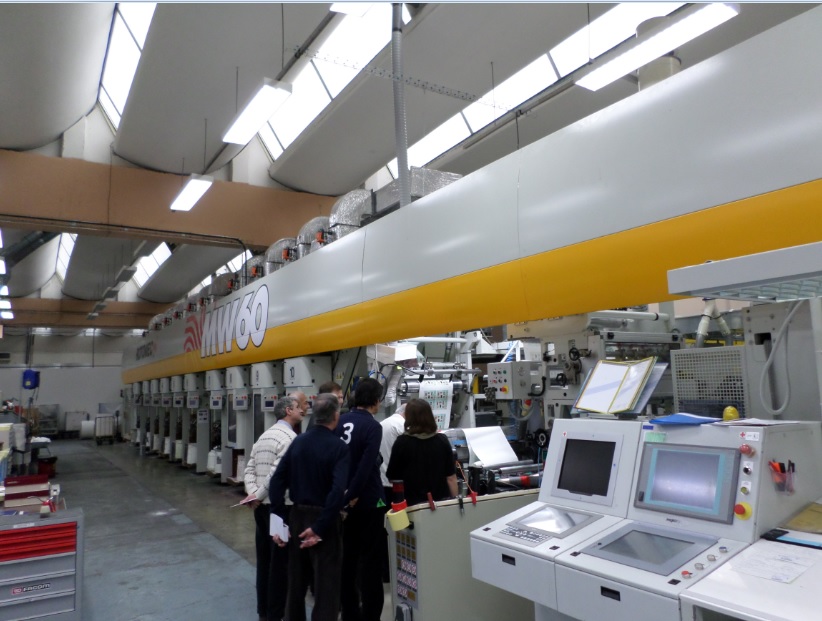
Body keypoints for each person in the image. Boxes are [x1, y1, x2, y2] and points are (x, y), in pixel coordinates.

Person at [269, 393, 350, 621]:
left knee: (296, 584)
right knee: (326, 588)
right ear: (336, 416)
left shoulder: (298, 442)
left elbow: (277, 481)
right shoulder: (339, 448)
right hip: (324, 521)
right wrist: (320, 527)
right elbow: (337, 491)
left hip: (297, 517)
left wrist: (279, 521)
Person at [243, 396, 303, 621]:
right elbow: (276, 475)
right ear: (288, 411)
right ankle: (277, 613)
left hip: (260, 509)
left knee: (264, 562)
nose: (302, 410)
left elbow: (249, 468)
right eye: (298, 407)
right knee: (280, 565)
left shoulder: (264, 435)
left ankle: (264, 611)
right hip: (280, 508)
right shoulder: (290, 438)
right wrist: (258, 495)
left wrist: (253, 494)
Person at [335, 377, 386, 621]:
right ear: (376, 400)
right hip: (368, 501)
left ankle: (350, 613)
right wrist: (352, 495)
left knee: (347, 559)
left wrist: (342, 497)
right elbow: (366, 467)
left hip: (341, 501)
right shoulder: (373, 427)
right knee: (370, 562)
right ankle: (371, 615)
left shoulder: (340, 421)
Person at [386, 398, 458, 506]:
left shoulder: (402, 442)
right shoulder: (442, 440)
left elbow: (393, 477)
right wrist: (455, 502)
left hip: (412, 505)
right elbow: (451, 478)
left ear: (409, 417)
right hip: (440, 504)